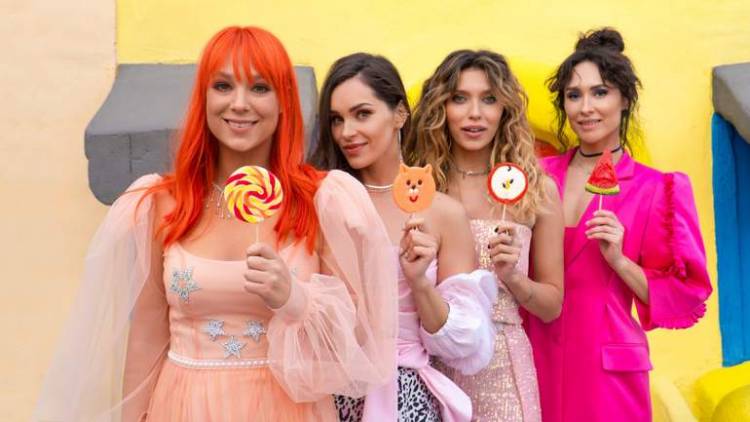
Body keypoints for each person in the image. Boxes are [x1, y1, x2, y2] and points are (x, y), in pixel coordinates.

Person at [34, 26, 397, 422]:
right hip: (184, 406)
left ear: (283, 103)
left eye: (259, 88)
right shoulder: (162, 202)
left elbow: (354, 345)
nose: (239, 104)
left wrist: (296, 299)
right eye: (223, 86)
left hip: (287, 409)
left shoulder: (322, 200)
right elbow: (146, 339)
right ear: (203, 99)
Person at [525, 28, 713, 422]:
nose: (585, 108)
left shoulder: (656, 189)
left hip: (607, 373)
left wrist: (620, 261)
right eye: (573, 95)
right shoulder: (535, 177)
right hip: (533, 355)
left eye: (600, 92)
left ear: (625, 99)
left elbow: (686, 293)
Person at [310, 53, 496, 422]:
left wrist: (419, 282)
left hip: (406, 398)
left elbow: (463, 344)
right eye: (337, 120)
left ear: (399, 114)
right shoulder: (322, 202)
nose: (346, 132)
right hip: (331, 395)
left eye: (362, 114)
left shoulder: (443, 213)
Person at [405, 49, 564, 422]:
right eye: (460, 98)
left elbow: (552, 305)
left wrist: (514, 278)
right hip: (432, 366)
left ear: (505, 109)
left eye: (489, 99)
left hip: (503, 368)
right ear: (441, 108)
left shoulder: (537, 190)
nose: (475, 113)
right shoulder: (417, 187)